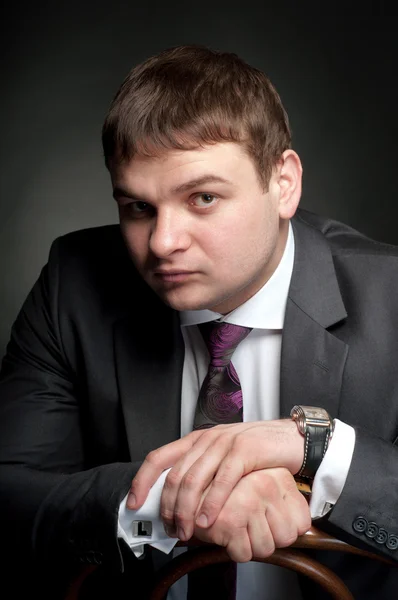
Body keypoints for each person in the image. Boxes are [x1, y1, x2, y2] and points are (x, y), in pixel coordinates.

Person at [0, 44, 397, 600]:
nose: (162, 243)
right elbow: (12, 495)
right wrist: (174, 501)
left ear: (283, 183)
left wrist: (318, 453)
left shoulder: (392, 298)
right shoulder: (75, 284)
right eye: (138, 207)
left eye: (203, 197)